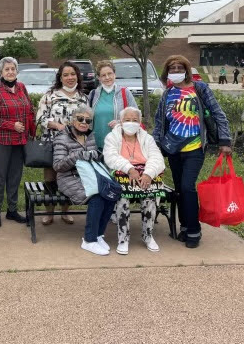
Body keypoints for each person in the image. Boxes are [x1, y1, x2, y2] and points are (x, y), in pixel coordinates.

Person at [153, 55, 232, 248]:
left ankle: (194, 230)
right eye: (173, 68)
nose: (177, 71)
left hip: (195, 147)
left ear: (187, 70)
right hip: (172, 147)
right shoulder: (167, 93)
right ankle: (185, 227)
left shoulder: (199, 88)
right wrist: (155, 144)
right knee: (179, 189)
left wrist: (225, 140)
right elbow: (159, 122)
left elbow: (217, 113)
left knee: (188, 187)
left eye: (180, 68)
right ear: (167, 72)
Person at [53, 106, 116, 256]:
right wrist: (78, 155)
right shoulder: (62, 137)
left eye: (87, 120)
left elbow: (93, 158)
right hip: (69, 177)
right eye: (80, 119)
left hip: (90, 175)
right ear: (72, 120)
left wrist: (96, 155)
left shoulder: (90, 135)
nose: (84, 122)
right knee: (97, 197)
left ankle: (99, 235)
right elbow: (58, 166)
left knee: (111, 192)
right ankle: (89, 240)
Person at [103, 107, 165, 255]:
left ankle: (148, 235)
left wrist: (148, 174)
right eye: (127, 120)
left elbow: (157, 158)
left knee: (149, 196)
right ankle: (123, 237)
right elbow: (110, 157)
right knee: (122, 198)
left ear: (140, 122)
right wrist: (129, 169)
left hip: (144, 176)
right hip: (123, 175)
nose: (131, 123)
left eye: (135, 120)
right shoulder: (112, 137)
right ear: (121, 121)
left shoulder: (147, 138)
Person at [0, 56, 35, 228]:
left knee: (15, 177)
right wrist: (11, 125)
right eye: (7, 69)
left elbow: (29, 110)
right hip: (1, 140)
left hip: (20, 140)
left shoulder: (22, 88)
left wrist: (31, 131)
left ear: (17, 71)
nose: (10, 72)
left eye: (13, 69)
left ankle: (12, 210)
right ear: (1, 72)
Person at [36, 61, 88, 225]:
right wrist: (57, 125)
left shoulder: (83, 97)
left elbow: (87, 119)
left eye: (72, 74)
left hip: (74, 144)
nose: (70, 77)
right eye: (66, 75)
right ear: (60, 77)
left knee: (70, 176)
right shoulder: (50, 95)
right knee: (51, 176)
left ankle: (65, 211)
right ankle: (49, 212)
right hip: (52, 142)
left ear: (77, 76)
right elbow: (40, 118)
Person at [87, 60, 138, 151]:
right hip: (96, 145)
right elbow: (87, 118)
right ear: (99, 77)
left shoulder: (125, 93)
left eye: (109, 73)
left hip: (119, 145)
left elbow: (136, 118)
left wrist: (120, 122)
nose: (107, 77)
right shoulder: (93, 94)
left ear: (114, 74)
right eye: (103, 75)